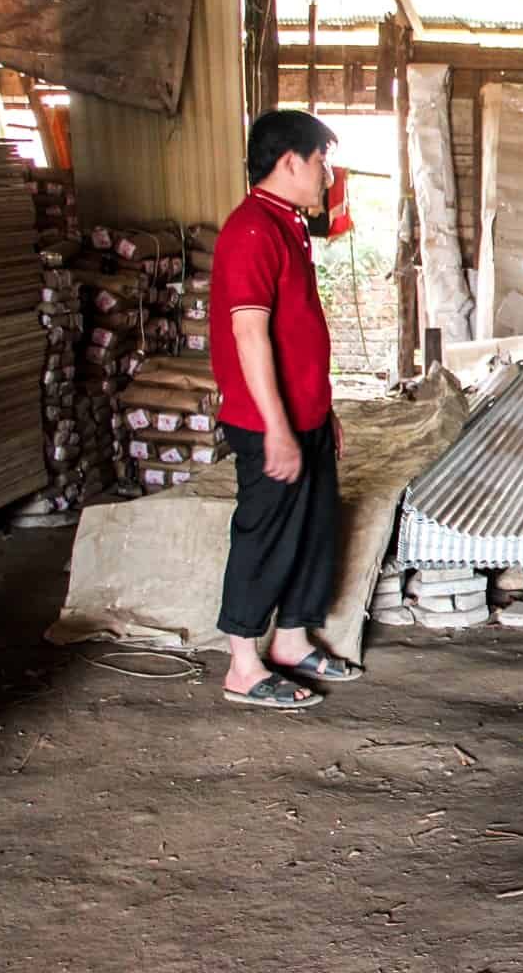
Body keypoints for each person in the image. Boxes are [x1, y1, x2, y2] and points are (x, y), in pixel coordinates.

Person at [212, 110, 357, 709]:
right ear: (291, 161)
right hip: (267, 421)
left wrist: (321, 412)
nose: (327, 174)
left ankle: (291, 641)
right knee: (266, 534)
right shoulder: (250, 231)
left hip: (306, 415)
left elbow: (297, 334)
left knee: (315, 529)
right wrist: (276, 427)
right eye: (322, 161)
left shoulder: (289, 223)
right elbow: (250, 336)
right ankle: (242, 665)